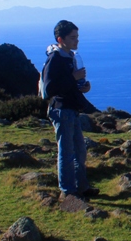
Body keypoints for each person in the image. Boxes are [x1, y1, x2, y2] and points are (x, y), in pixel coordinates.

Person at [42, 20, 98, 199]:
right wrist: (73, 78)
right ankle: (67, 190)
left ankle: (81, 186)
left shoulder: (70, 57)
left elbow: (69, 84)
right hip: (61, 109)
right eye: (73, 38)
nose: (77, 41)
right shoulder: (55, 59)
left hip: (71, 109)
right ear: (61, 39)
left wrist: (83, 87)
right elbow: (50, 88)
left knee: (79, 151)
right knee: (66, 152)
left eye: (77, 37)